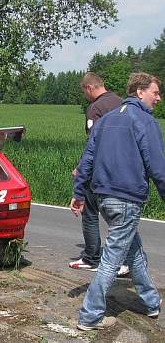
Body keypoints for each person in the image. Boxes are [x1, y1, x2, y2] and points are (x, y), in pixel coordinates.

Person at [70, 72, 164, 331]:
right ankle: (89, 315)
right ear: (140, 92)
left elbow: (86, 160)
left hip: (103, 198)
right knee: (111, 259)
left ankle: (150, 301)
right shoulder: (145, 122)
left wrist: (79, 193)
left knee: (132, 250)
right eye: (155, 92)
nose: (158, 98)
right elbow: (158, 168)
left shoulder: (106, 120)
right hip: (126, 199)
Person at [69, 73, 128, 276]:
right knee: (121, 216)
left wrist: (81, 168)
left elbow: (93, 143)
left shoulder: (95, 108)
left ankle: (91, 257)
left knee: (90, 211)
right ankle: (125, 261)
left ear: (89, 88)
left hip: (102, 170)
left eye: (84, 92)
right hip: (125, 169)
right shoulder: (121, 103)